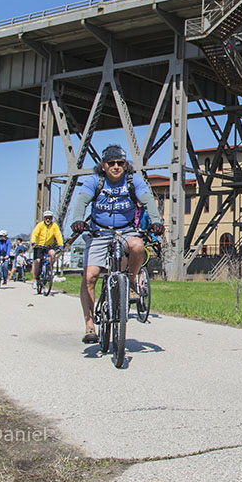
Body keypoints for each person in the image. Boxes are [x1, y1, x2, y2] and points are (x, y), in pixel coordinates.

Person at [70, 144, 162, 344]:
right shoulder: (94, 181)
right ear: (103, 166)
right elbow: (82, 201)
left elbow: (148, 201)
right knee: (90, 277)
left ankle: (129, 283)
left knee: (138, 246)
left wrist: (156, 222)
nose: (116, 167)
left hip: (126, 230)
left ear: (125, 165)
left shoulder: (133, 181)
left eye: (120, 163)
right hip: (99, 231)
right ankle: (89, 325)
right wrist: (77, 220)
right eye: (111, 163)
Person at [30, 211, 63, 284]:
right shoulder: (40, 225)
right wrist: (33, 242)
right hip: (39, 246)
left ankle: (49, 270)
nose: (48, 220)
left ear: (52, 218)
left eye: (49, 218)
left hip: (48, 246)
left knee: (53, 254)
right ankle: (35, 279)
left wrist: (60, 244)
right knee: (37, 261)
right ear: (44, 218)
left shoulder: (54, 226)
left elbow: (58, 235)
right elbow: (35, 234)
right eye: (46, 218)